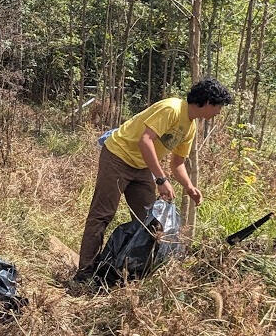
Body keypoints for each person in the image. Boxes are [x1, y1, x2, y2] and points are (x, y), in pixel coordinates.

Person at [75, 77, 234, 278]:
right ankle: (85, 273)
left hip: (142, 167)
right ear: (208, 102)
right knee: (103, 214)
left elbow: (177, 164)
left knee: (151, 223)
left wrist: (189, 187)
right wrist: (160, 179)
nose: (219, 112)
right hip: (118, 156)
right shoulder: (172, 108)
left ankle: (129, 272)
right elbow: (145, 141)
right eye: (218, 106)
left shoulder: (190, 127)